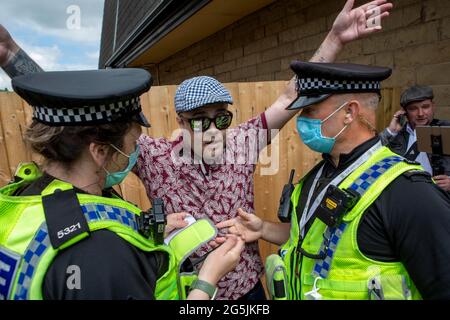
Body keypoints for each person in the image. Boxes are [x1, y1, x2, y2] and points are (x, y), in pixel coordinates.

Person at [0, 0, 393, 299]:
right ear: (182, 123)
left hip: (245, 289)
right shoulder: (153, 156)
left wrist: (335, 38)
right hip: (188, 289)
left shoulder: (243, 141)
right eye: (199, 119)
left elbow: (291, 94)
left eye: (221, 117)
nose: (212, 129)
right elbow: (84, 115)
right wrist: (15, 59)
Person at [0, 68, 244, 300]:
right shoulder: (100, 257)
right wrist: (206, 280)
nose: (138, 150)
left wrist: (144, 230)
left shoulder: (30, 194)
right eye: (134, 142)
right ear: (100, 151)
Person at [217, 61, 450, 300]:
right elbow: (311, 240)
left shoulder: (408, 192)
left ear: (349, 112)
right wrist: (263, 228)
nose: (301, 123)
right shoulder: (316, 177)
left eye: (310, 110)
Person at [380, 85, 450, 192]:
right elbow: (372, 157)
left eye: (425, 107)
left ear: (433, 106)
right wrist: (391, 131)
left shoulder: (446, 129)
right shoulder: (396, 135)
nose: (421, 114)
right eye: (413, 109)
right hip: (406, 196)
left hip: (440, 199)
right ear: (405, 112)